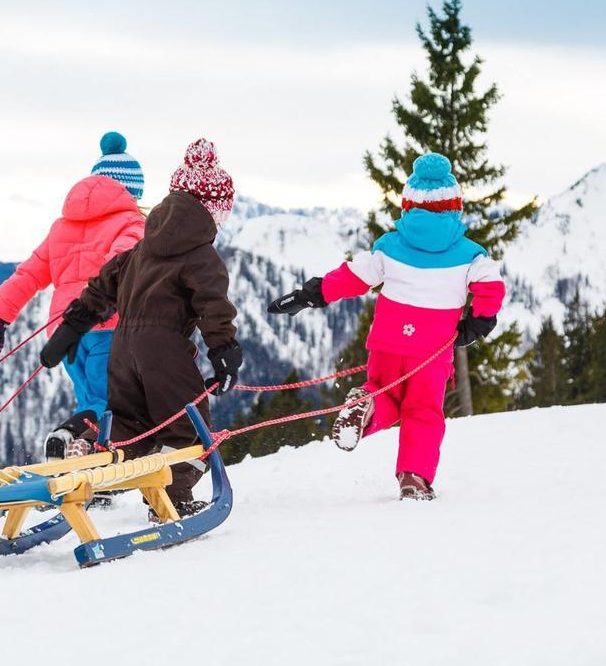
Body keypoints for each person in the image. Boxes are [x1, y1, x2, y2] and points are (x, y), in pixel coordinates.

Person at [267, 153, 505, 500]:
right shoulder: (470, 254)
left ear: (408, 205)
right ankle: (414, 478)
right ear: (455, 207)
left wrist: (309, 295)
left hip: (388, 344)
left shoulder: (389, 247)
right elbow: (491, 287)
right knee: (422, 413)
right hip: (432, 352)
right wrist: (478, 323)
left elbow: (351, 276)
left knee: (385, 392)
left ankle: (367, 404)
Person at [40, 138, 242, 516]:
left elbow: (103, 284)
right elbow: (212, 305)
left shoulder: (144, 246)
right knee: (190, 433)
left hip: (122, 349)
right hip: (164, 352)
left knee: (132, 424)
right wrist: (224, 350)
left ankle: (92, 460)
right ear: (212, 210)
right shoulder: (201, 254)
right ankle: (172, 500)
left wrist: (73, 325)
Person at [0, 132, 145, 459]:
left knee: (90, 401)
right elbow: (120, 265)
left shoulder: (61, 228)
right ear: (131, 191)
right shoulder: (131, 222)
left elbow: (27, 275)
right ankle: (69, 437)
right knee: (111, 404)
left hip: (64, 334)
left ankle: (88, 473)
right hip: (107, 325)